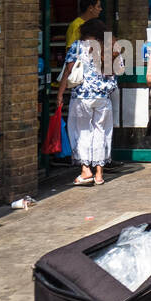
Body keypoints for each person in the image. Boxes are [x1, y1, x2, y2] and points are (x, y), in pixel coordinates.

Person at [57, 18, 116, 186]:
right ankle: (99, 174)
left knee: (82, 132)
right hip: (103, 98)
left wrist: (60, 94)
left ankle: (85, 170)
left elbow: (68, 72)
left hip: (82, 97)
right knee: (101, 133)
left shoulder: (77, 46)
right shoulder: (107, 48)